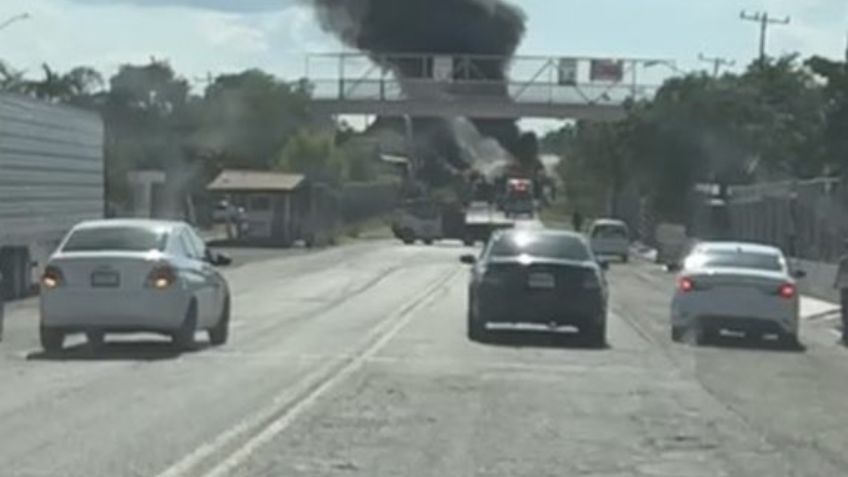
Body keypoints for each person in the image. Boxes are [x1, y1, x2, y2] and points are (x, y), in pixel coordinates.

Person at [834, 240, 848, 344]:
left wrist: (835, 283)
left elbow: (839, 273)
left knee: (845, 312)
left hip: (845, 288)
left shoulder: (843, 260)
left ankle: (845, 335)